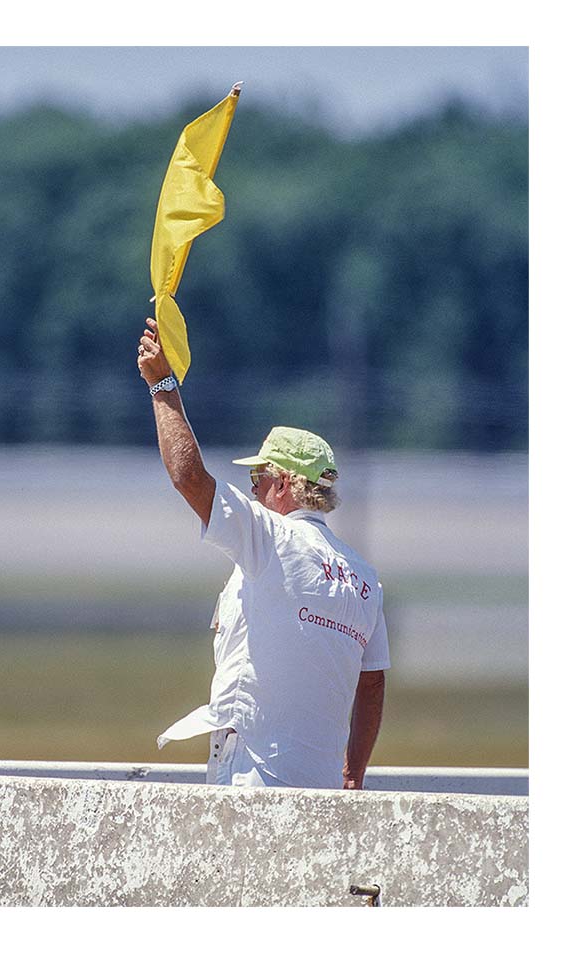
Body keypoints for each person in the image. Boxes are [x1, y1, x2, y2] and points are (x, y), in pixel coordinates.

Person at [136, 317, 388, 790]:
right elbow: (371, 684)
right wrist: (353, 774)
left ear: (288, 483)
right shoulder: (365, 576)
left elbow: (189, 478)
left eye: (258, 479)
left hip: (252, 777)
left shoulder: (271, 536)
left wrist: (162, 385)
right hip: (324, 789)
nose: (252, 491)